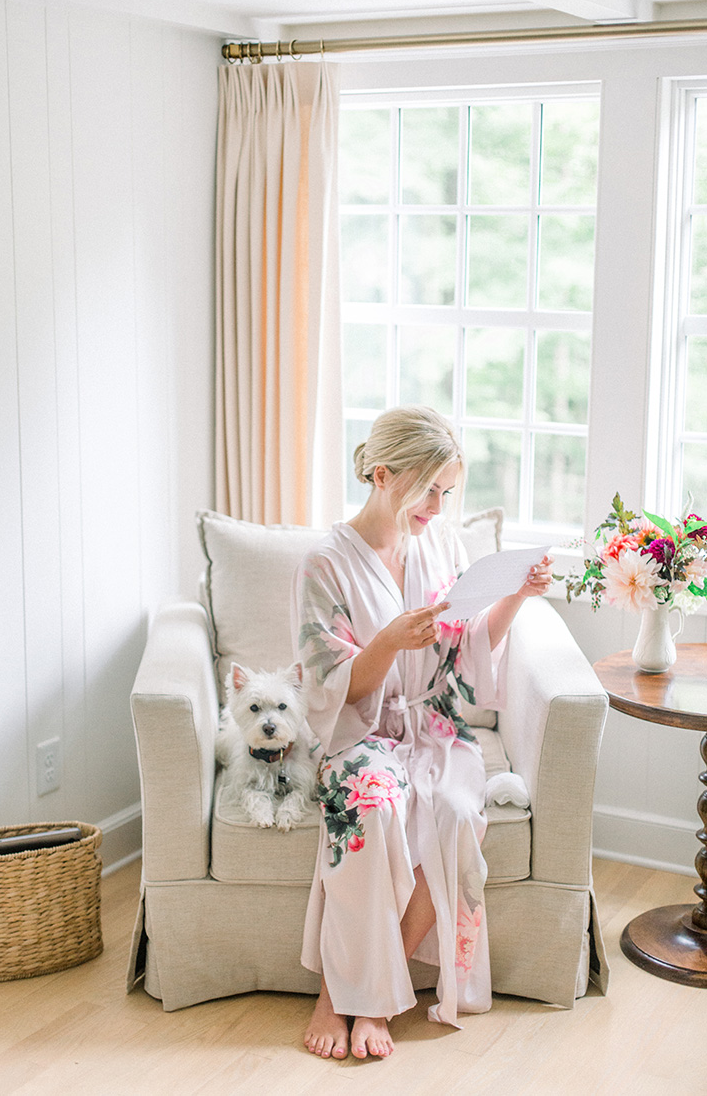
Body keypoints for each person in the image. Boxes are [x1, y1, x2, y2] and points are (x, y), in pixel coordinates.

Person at [291, 405, 553, 1061]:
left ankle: (371, 993)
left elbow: (465, 653)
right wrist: (384, 642)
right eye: (428, 489)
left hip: (433, 726)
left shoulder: (442, 545)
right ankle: (339, 990)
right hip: (362, 732)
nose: (438, 505)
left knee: (461, 810)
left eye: (447, 490)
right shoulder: (324, 564)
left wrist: (516, 595)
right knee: (371, 807)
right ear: (382, 475)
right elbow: (330, 688)